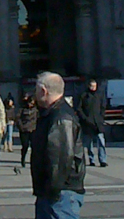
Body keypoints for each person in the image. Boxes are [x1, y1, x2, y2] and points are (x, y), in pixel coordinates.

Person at [31, 71, 85, 219]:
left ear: (43, 91)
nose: (34, 93)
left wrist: (52, 191)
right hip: (54, 192)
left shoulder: (60, 117)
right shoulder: (52, 114)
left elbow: (61, 159)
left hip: (59, 195)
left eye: (36, 89)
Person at [77, 79, 107, 168]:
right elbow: (79, 108)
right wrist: (85, 118)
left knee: (101, 141)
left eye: (95, 86)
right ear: (89, 86)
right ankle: (91, 159)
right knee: (88, 143)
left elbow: (103, 106)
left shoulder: (100, 94)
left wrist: (101, 117)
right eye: (92, 86)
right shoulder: (84, 95)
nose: (93, 88)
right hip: (88, 123)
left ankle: (103, 160)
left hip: (98, 122)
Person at [16, 93, 38, 168]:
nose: (30, 105)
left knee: (34, 146)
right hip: (24, 130)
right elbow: (18, 118)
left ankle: (33, 161)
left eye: (32, 103)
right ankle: (23, 158)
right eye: (29, 103)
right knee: (25, 145)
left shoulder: (36, 110)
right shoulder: (22, 109)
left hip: (33, 129)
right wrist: (21, 126)